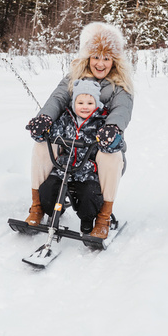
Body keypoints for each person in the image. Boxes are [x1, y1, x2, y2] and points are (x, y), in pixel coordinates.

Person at [25, 22, 134, 239]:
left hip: (98, 149)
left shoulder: (120, 86)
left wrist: (112, 129)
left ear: (114, 61)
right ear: (87, 57)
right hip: (70, 148)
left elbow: (122, 110)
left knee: (110, 156)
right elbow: (57, 98)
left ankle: (103, 217)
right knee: (42, 145)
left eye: (106, 58)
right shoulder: (73, 78)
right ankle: (37, 206)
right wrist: (44, 119)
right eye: (96, 57)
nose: (100, 63)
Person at [38, 79, 122, 234]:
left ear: (96, 104)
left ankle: (88, 219)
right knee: (47, 188)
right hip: (63, 167)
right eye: (80, 102)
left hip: (87, 170)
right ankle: (52, 210)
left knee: (89, 194)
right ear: (73, 103)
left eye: (90, 103)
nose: (84, 107)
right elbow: (52, 133)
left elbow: (116, 145)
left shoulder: (100, 123)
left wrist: (112, 140)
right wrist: (41, 131)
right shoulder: (66, 119)